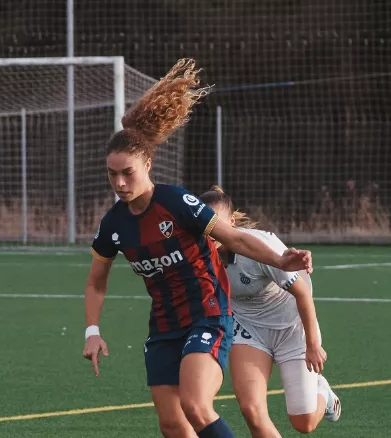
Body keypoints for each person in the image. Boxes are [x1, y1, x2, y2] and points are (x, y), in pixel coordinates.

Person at [81, 58, 314, 438]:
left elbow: (234, 237)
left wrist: (279, 259)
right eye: (112, 174)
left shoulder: (176, 203)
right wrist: (92, 330)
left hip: (207, 316)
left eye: (128, 173)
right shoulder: (113, 225)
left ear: (148, 164)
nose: (120, 183)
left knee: (195, 405)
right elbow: (96, 282)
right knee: (172, 424)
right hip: (164, 326)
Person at [198, 185, 341, 437]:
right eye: (205, 225)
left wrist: (313, 344)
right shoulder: (196, 253)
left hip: (291, 326)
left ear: (230, 222)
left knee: (304, 423)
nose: (211, 233)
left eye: (216, 224)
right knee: (252, 411)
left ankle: (324, 395)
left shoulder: (259, 247)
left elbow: (302, 293)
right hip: (248, 327)